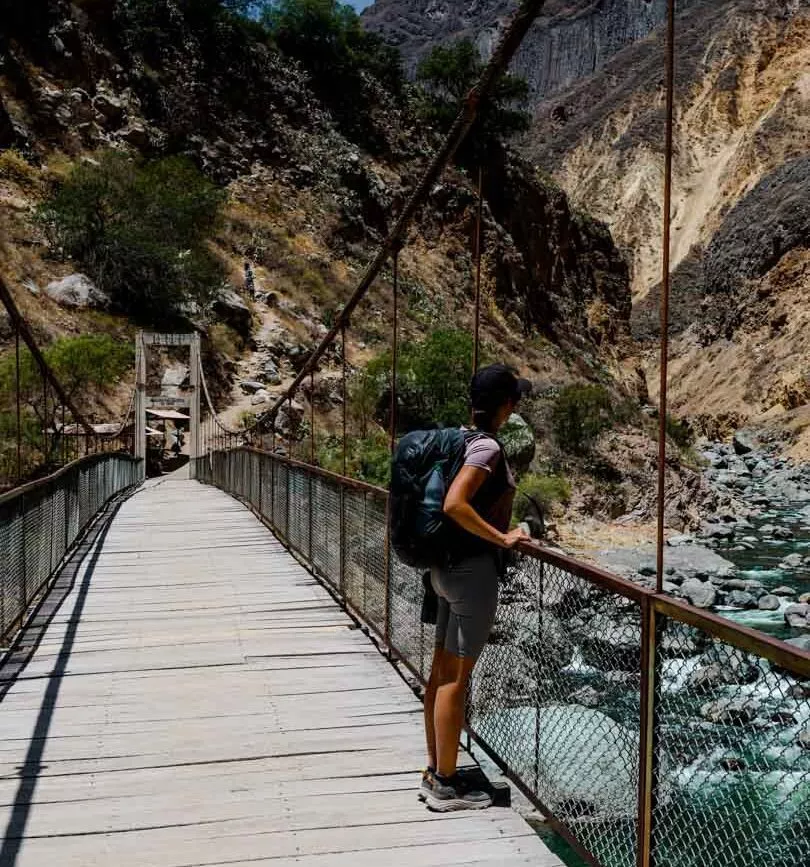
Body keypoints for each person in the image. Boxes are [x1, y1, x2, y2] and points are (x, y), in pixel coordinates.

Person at [422, 363, 532, 812]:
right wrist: (504, 537)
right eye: (514, 400)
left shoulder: (456, 438)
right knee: (457, 679)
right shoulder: (485, 448)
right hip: (472, 574)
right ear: (507, 405)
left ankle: (436, 769)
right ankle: (446, 784)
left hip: (443, 569)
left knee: (441, 671)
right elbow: (454, 504)